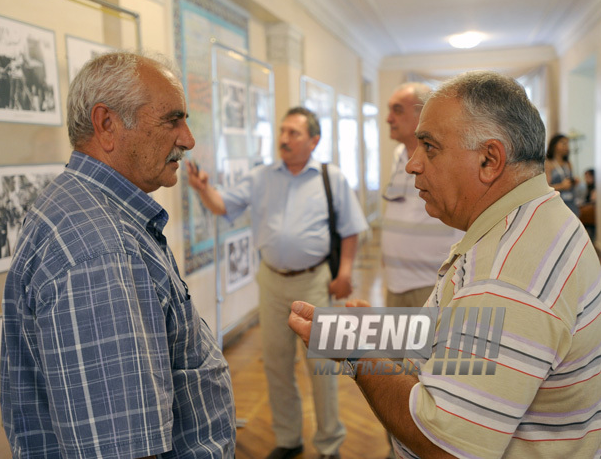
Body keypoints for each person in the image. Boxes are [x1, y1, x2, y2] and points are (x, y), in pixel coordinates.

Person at [288, 71, 601, 458]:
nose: (412, 165)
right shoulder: (527, 220)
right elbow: (469, 336)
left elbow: (446, 445)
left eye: (430, 147)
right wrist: (380, 334)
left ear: (489, 159)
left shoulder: (508, 276)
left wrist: (355, 351)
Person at [0, 52, 236, 459]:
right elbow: (123, 448)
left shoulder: (85, 211)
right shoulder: (103, 251)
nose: (188, 140)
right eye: (172, 120)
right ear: (107, 124)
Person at [187, 106, 368, 459]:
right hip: (272, 283)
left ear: (314, 140)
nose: (284, 139)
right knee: (276, 363)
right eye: (282, 131)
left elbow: (351, 229)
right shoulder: (261, 177)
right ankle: (288, 439)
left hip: (316, 282)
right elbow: (224, 205)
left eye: (294, 133)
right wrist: (204, 188)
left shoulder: (332, 178)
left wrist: (344, 272)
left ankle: (329, 444)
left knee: (322, 366)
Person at [382, 83, 462, 309]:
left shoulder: (444, 156)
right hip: (395, 283)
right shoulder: (398, 155)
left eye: (397, 110)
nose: (388, 118)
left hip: (431, 284)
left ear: (423, 115)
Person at [545, 133, 579, 215]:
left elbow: (569, 181)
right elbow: (546, 187)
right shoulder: (548, 164)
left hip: (570, 202)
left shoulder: (568, 163)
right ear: (554, 145)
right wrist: (562, 186)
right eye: (563, 143)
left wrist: (574, 182)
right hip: (556, 204)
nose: (566, 146)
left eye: (567, 144)